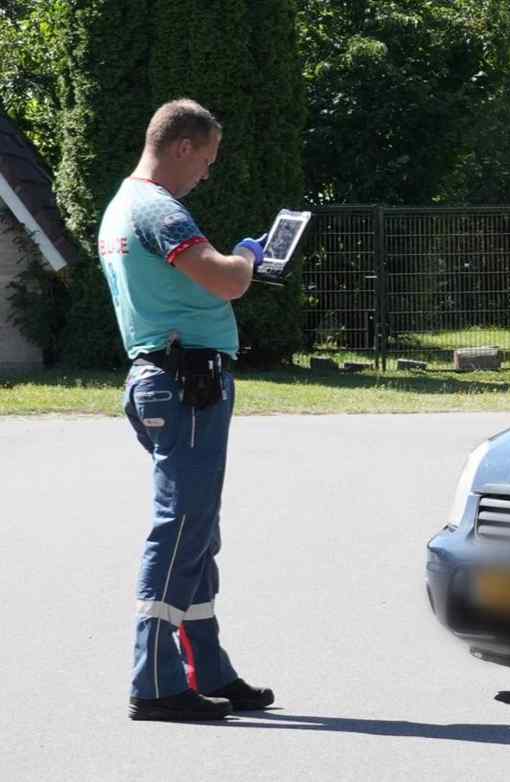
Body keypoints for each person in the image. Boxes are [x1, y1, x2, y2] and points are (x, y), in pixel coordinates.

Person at [97, 98, 274, 721]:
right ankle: (155, 682)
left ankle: (208, 667)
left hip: (162, 379)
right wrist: (250, 257)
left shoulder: (122, 205)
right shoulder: (158, 209)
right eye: (207, 159)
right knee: (180, 527)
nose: (207, 173)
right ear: (182, 146)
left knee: (197, 529)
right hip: (186, 383)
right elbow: (224, 280)